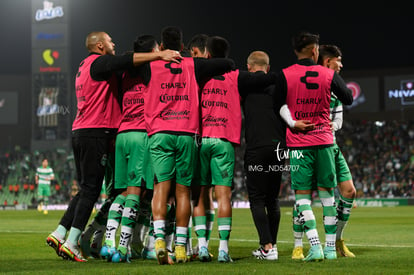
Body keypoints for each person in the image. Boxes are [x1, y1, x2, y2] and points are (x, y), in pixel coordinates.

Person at [46, 31, 182, 262]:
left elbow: (123, 64)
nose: (114, 43)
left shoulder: (84, 66)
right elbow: (126, 60)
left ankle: (60, 233)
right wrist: (160, 56)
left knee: (87, 188)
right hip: (97, 133)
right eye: (110, 41)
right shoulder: (98, 62)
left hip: (82, 132)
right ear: (99, 46)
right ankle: (73, 242)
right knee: (94, 191)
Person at [138, 26, 235, 264]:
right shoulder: (193, 65)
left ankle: (160, 240)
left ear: (161, 46)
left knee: (161, 188)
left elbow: (124, 61)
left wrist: (155, 56)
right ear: (182, 47)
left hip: (159, 133)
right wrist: (190, 60)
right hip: (185, 133)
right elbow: (228, 63)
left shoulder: (149, 66)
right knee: (183, 192)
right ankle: (181, 247)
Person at [195, 37, 278, 263]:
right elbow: (262, 79)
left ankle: (202, 246)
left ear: (208, 55)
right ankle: (223, 250)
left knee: (201, 196)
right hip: (224, 140)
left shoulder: (198, 75)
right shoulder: (237, 76)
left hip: (201, 140)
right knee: (224, 197)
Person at [277, 31, 353, 262]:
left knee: (302, 197)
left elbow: (277, 105)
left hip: (299, 143)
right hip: (324, 142)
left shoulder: (285, 75)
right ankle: (330, 249)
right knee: (328, 196)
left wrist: (293, 122)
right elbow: (348, 97)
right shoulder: (327, 74)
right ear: (314, 51)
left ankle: (314, 245)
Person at [242, 51, 284, 260]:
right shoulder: (278, 86)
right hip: (278, 148)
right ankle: (272, 246)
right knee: (272, 199)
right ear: (267, 68)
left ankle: (267, 247)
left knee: (257, 198)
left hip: (256, 149)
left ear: (249, 67)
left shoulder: (243, 84)